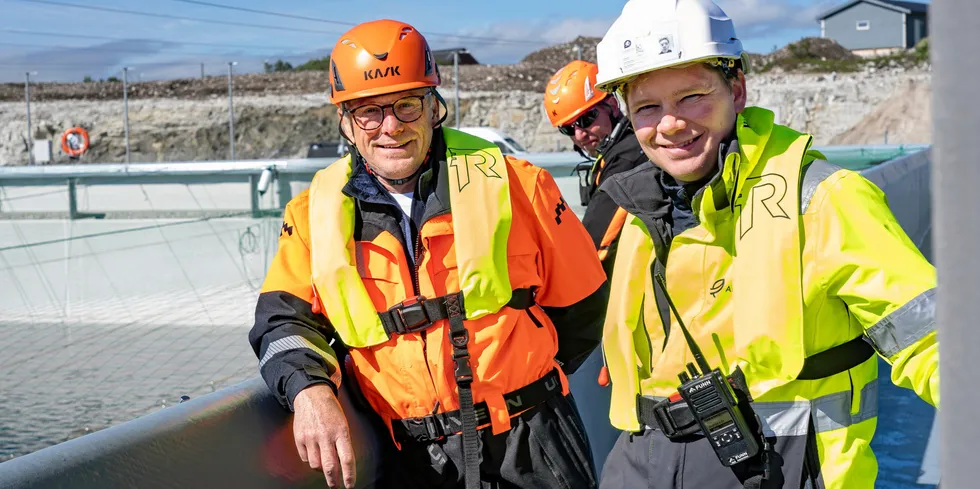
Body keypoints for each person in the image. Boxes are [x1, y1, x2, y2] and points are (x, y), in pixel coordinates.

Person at [590, 1, 939, 488]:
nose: (669, 124)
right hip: (642, 462)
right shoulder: (640, 214)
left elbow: (932, 340)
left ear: (736, 89)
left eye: (692, 96)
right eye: (647, 107)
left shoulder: (820, 199)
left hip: (782, 466)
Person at [249, 19, 608, 489]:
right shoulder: (311, 215)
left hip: (533, 443)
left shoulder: (519, 184)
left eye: (406, 104)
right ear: (344, 120)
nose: (390, 127)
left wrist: (523, 383)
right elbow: (281, 322)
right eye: (368, 113)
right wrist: (309, 391)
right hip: (414, 460)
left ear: (433, 106)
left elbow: (584, 308)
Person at [543, 60, 649, 274]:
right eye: (568, 129)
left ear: (611, 105)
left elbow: (592, 247)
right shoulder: (617, 151)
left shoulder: (627, 159)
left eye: (586, 119)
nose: (579, 134)